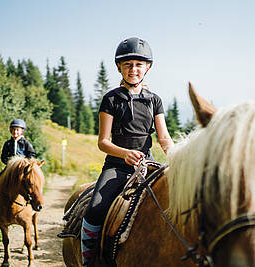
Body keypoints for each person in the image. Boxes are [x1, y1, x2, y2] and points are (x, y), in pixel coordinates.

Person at [81, 37, 174, 266]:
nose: (133, 69)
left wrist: (176, 157)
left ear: (147, 68)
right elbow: (103, 142)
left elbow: (163, 138)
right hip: (117, 166)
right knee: (95, 210)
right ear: (119, 67)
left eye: (138, 64)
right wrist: (124, 154)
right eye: (128, 64)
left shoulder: (155, 101)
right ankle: (89, 260)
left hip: (148, 166)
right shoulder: (111, 99)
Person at [0, 119, 36, 211]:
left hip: (22, 170)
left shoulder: (26, 143)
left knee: (30, 183)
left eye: (17, 129)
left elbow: (31, 154)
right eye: (13, 129)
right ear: (11, 130)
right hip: (9, 168)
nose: (15, 131)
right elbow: (3, 156)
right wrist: (10, 164)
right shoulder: (7, 143)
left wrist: (25, 163)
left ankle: (34, 203)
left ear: (22, 131)